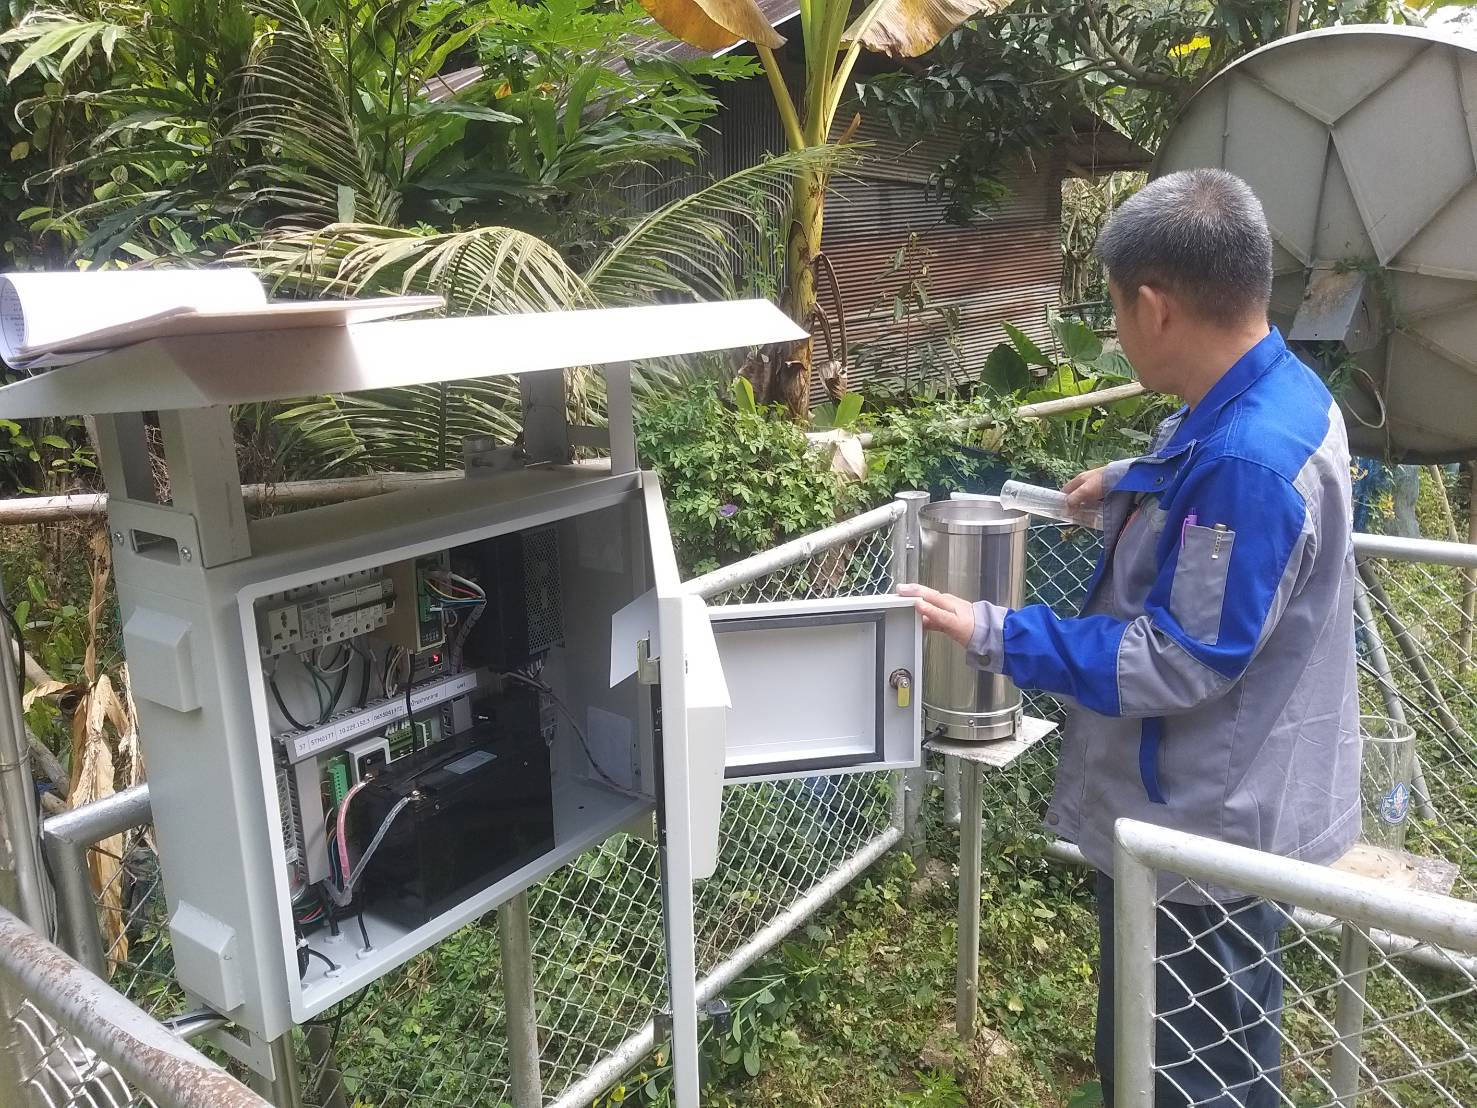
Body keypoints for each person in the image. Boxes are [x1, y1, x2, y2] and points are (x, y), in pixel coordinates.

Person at [902, 168, 1360, 1107]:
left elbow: (1176, 659)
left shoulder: (1245, 466)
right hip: (1226, 800)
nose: (1116, 330)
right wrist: (1134, 478)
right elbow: (1206, 469)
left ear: (1152, 307)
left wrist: (994, 632)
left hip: (1201, 832)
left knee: (1187, 1076)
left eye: (1113, 309)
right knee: (1176, 1052)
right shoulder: (1278, 393)